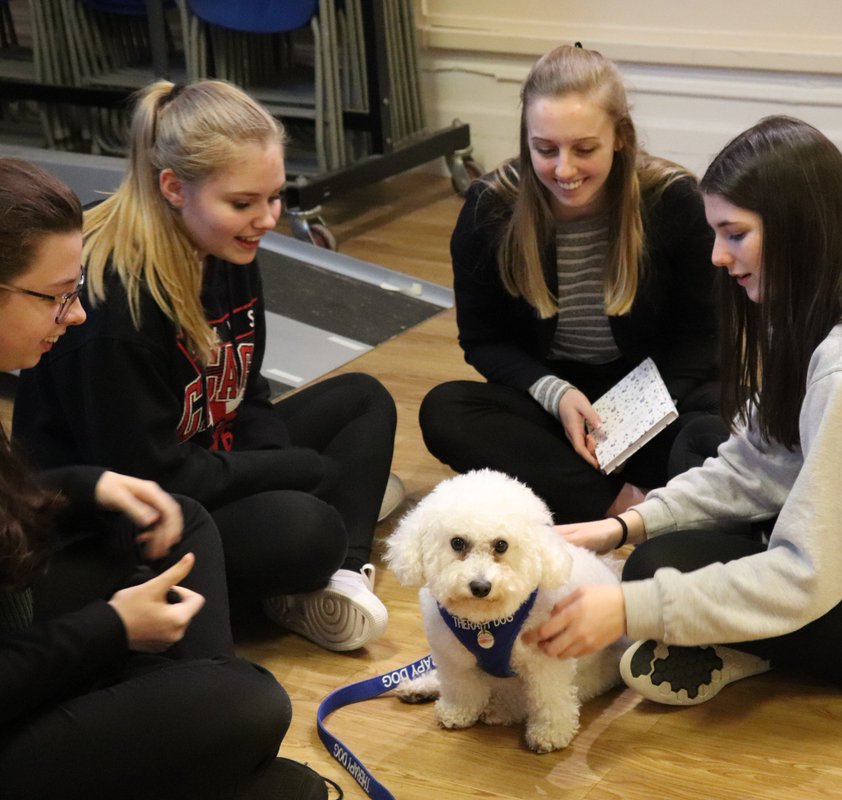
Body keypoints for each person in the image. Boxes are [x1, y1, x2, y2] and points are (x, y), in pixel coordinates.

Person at [527, 116, 842, 705]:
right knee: (701, 441)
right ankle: (731, 632)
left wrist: (631, 605)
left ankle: (738, 645)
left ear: (795, 228)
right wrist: (622, 524)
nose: (718, 257)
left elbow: (810, 574)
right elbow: (759, 460)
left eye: (734, 234)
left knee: (655, 570)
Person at [13, 80, 398, 653]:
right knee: (307, 525)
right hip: (131, 518)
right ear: (173, 187)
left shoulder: (224, 242)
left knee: (364, 399)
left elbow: (248, 390)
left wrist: (278, 461)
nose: (267, 219)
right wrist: (297, 471)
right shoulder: (114, 309)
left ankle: (340, 577)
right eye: (243, 202)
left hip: (204, 457)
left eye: (274, 197)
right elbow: (154, 479)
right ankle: (310, 560)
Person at [0, 157, 332, 798]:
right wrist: (114, 628)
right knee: (257, 720)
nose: (74, 315)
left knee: (182, 520)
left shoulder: (232, 273)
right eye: (57, 296)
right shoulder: (121, 323)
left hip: (20, 628)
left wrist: (89, 486)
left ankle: (189, 740)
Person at [419, 44, 721, 523]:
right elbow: (484, 340)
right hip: (553, 403)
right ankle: (626, 505)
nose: (564, 170)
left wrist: (624, 422)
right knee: (446, 411)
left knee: (727, 420)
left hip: (652, 397)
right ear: (526, 140)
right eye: (545, 149)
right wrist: (555, 395)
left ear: (621, 137)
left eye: (584, 149)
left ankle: (569, 488)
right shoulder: (489, 209)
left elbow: (702, 341)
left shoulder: (673, 200)